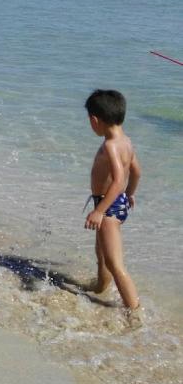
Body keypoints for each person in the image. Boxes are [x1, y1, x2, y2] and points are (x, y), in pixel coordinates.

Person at [83, 89, 142, 310]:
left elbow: (118, 180)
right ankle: (99, 287)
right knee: (102, 254)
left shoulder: (110, 145)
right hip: (115, 204)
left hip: (108, 208)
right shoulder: (126, 141)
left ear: (94, 120)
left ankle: (134, 311)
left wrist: (100, 211)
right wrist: (131, 194)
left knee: (115, 264)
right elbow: (136, 171)